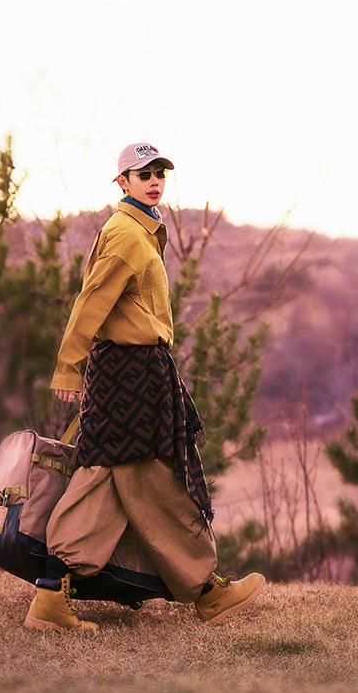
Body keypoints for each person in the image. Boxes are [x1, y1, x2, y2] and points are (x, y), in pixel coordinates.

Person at [26, 142, 265, 632]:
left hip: (135, 371)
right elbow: (90, 301)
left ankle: (51, 595)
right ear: (123, 182)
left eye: (160, 173)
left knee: (106, 476)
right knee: (155, 478)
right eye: (144, 174)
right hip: (127, 372)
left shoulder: (142, 230)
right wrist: (68, 367)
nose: (155, 181)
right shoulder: (126, 234)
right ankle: (207, 592)